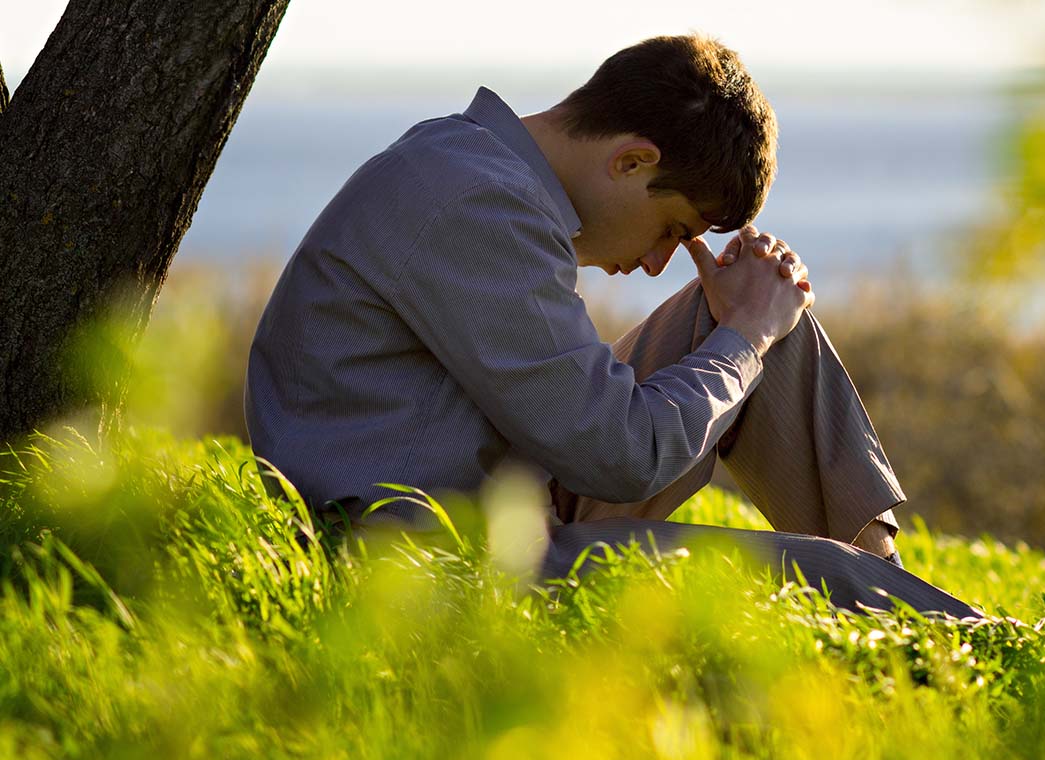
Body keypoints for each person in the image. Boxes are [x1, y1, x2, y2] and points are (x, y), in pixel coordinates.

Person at [245, 34, 978, 617]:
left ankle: (894, 591)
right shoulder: (478, 205)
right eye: (672, 228)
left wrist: (751, 329)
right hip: (428, 566)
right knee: (818, 573)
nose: (660, 263)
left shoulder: (478, 168)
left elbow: (588, 428)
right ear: (631, 161)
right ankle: (976, 644)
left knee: (759, 327)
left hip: (509, 497)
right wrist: (743, 338)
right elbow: (621, 454)